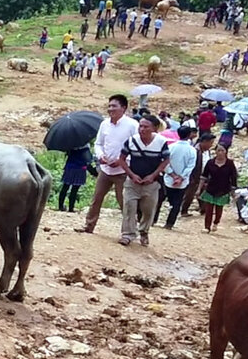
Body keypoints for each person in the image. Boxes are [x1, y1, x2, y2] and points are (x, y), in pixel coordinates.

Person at [76, 94, 138, 235]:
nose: (110, 109)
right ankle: (89, 226)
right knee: (96, 199)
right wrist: (100, 156)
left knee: (124, 202)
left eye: (114, 106)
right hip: (105, 169)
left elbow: (136, 147)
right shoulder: (104, 124)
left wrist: (122, 161)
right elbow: (98, 143)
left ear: (124, 108)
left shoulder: (132, 125)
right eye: (109, 106)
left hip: (122, 171)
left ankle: (129, 232)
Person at [117, 114, 169, 246]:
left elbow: (166, 160)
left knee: (148, 210)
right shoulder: (131, 141)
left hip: (151, 184)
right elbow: (121, 159)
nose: (142, 129)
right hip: (132, 182)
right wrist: (131, 175)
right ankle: (127, 234)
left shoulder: (161, 142)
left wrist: (153, 175)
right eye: (140, 126)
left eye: (146, 126)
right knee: (129, 207)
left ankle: (144, 231)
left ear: (154, 128)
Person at [157, 124, 195, 230]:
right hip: (182, 182)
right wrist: (181, 177)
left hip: (168, 178)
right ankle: (169, 223)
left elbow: (165, 162)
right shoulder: (192, 150)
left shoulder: (171, 147)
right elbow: (190, 166)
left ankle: (154, 219)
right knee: (177, 203)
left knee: (160, 199)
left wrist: (172, 175)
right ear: (189, 135)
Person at [198, 143, 237, 232]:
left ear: (226, 152)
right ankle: (207, 227)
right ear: (215, 151)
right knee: (209, 210)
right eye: (218, 150)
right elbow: (204, 176)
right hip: (211, 189)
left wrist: (233, 191)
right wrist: (199, 189)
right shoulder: (210, 162)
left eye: (222, 150)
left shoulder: (230, 164)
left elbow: (233, 177)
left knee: (219, 210)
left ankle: (216, 222)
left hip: (223, 190)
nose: (220, 153)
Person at [181, 131, 215, 216]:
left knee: (202, 192)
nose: (211, 145)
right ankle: (184, 210)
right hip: (194, 177)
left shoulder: (206, 151)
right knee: (190, 193)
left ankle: (203, 209)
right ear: (204, 142)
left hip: (203, 176)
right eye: (210, 143)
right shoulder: (195, 151)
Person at [59, 143, 94, 212]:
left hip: (69, 167)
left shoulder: (70, 145)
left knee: (65, 187)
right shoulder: (85, 147)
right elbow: (88, 159)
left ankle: (60, 206)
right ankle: (71, 208)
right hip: (80, 169)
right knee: (75, 190)